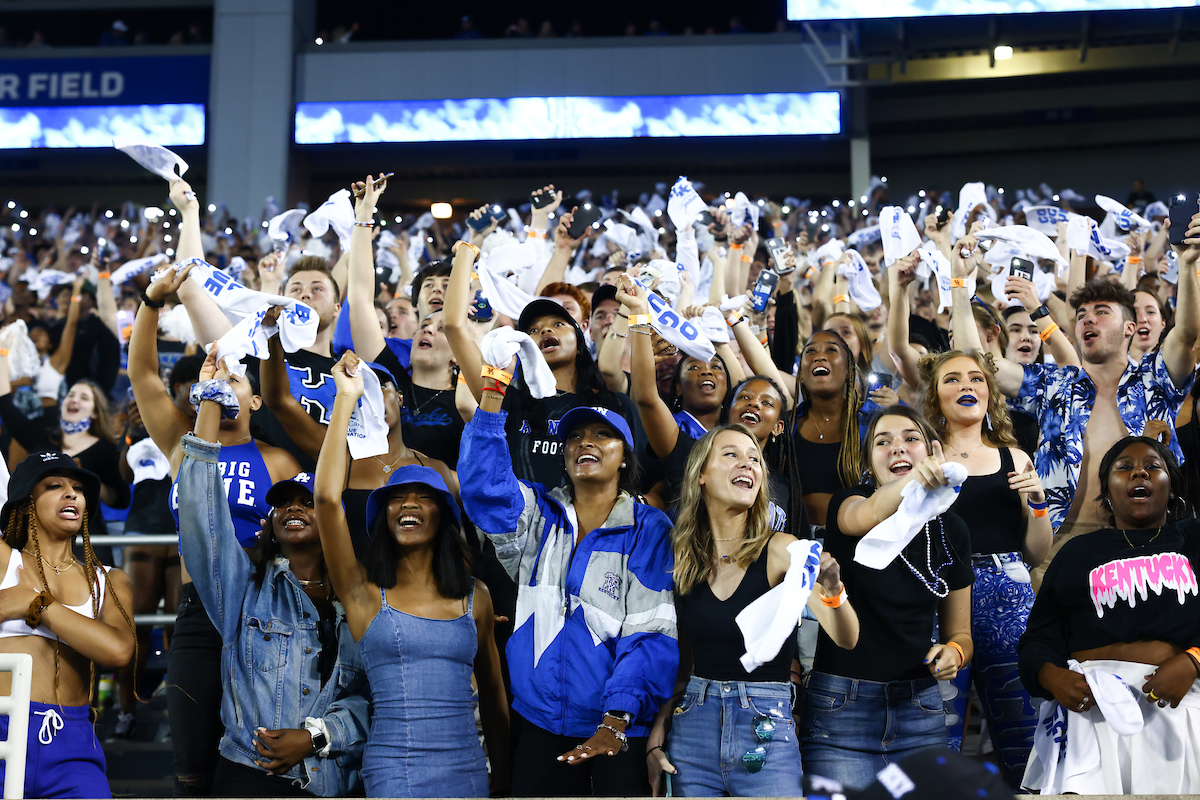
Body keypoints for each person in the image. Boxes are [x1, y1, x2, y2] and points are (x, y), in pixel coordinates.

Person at [128, 261, 302, 796]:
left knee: (259, 758)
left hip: (263, 608)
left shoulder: (277, 460)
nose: (226, 378)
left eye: (237, 375)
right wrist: (152, 303)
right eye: (217, 373)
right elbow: (143, 377)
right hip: (198, 612)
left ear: (254, 400)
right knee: (191, 767)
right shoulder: (181, 444)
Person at [459, 375, 677, 796]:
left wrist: (615, 719)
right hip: (539, 722)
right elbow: (484, 489)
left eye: (602, 436)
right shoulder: (539, 514)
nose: (585, 443)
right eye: (574, 437)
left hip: (618, 729)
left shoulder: (648, 527)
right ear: (563, 456)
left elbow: (650, 632)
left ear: (625, 458)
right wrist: (491, 392)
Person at [313, 351, 509, 798]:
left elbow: (495, 701)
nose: (409, 504)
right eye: (397, 498)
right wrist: (345, 398)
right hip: (392, 774)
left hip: (469, 773)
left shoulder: (474, 597)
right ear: (381, 516)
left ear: (444, 515)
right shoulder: (363, 593)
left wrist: (504, 781)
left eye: (424, 496)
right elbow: (326, 499)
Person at [174, 350, 368, 797]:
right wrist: (210, 398)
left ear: (330, 517)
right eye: (282, 503)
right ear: (269, 523)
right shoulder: (241, 589)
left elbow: (373, 694)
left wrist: (317, 737)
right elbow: (202, 516)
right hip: (248, 773)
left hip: (335, 778)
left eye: (307, 502)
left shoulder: (360, 596)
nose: (295, 508)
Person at [951, 216, 1200, 558]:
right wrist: (960, 284)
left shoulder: (1155, 379)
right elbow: (973, 360)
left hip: (1147, 542)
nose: (1087, 319)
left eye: (1100, 312)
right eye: (1081, 315)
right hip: (1057, 545)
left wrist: (1188, 264)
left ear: (1130, 328)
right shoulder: (1053, 384)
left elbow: (1186, 334)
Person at [648, 424, 859, 796]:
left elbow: (846, 637)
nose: (747, 464)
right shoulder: (682, 555)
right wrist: (658, 729)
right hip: (692, 726)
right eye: (731, 454)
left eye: (754, 459)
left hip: (766, 728)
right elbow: (679, 659)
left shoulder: (783, 548)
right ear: (701, 475)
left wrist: (832, 589)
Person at [800, 406, 974, 789]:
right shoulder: (847, 503)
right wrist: (917, 478)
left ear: (931, 450)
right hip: (841, 711)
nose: (897, 448)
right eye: (883, 442)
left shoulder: (953, 529)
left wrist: (954, 655)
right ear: (868, 462)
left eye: (910, 439)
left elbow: (961, 634)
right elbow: (868, 513)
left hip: (921, 710)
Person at [1019, 436, 1200, 794]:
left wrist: (1194, 660)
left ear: (1171, 486)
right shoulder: (1076, 553)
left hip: (1175, 704)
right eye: (1124, 467)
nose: (1139, 473)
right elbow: (1040, 637)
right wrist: (1051, 675)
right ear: (1106, 492)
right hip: (1089, 714)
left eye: (1153, 466)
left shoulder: (1193, 538)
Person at [919, 349, 1051, 786]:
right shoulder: (922, 457)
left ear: (989, 393)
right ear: (935, 396)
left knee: (1026, 732)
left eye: (975, 378)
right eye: (952, 379)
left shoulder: (1015, 457)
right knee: (936, 737)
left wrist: (1036, 504)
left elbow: (1035, 552)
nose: (965, 386)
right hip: (938, 594)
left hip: (1007, 590)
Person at [0, 451, 136, 798]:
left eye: (78, 487)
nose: (72, 493)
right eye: (54, 485)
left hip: (71, 740)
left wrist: (39, 605)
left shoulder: (110, 580)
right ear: (24, 501)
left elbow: (119, 651)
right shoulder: (4, 560)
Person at [0, 349, 130, 512]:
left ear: (95, 413)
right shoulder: (42, 438)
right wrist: (3, 351)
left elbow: (121, 499)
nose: (74, 400)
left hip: (88, 532)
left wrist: (85, 481)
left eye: (84, 398)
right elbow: (4, 405)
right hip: (41, 530)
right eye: (71, 395)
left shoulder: (106, 449)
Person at [790, 330, 864, 528]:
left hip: (856, 542)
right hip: (796, 545)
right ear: (801, 372)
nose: (820, 356)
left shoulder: (871, 423)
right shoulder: (786, 426)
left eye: (831, 350)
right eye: (810, 351)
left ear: (849, 369)